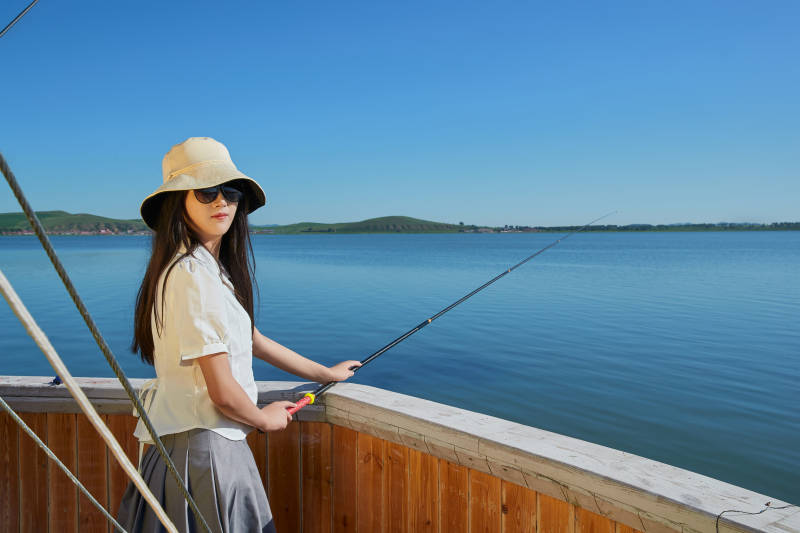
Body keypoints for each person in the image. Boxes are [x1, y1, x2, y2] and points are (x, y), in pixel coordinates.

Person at [117, 137, 360, 532]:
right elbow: (223, 392)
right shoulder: (194, 276)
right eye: (207, 191)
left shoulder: (201, 271)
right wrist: (264, 419)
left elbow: (251, 340)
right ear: (177, 201)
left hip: (189, 447)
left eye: (230, 192)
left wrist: (325, 374)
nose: (222, 202)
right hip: (208, 451)